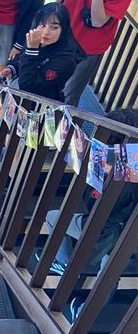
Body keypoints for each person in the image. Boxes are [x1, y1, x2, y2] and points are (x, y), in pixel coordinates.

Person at [41, 109, 138, 322]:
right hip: (129, 238)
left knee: (52, 217)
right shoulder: (132, 170)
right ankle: (85, 313)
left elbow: (94, 203)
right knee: (109, 275)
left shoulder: (108, 170)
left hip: (101, 229)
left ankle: (64, 263)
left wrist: (87, 169)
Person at [0, 2, 76, 102]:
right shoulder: (37, 40)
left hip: (41, 105)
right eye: (43, 25)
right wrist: (12, 68)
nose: (46, 32)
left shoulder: (66, 60)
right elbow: (22, 57)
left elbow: (28, 88)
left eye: (54, 27)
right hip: (18, 100)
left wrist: (32, 50)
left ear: (64, 29)